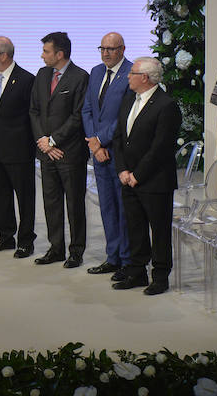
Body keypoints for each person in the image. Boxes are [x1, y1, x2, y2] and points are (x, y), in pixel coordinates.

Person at [112, 57, 180, 295]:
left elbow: (160, 148)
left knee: (159, 230)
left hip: (154, 180)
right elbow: (119, 136)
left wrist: (137, 175)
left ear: (144, 78)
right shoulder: (130, 98)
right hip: (128, 177)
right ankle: (137, 272)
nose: (127, 76)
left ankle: (160, 277)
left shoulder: (166, 105)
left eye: (131, 73)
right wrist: (122, 169)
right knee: (135, 227)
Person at [29, 31, 89, 268]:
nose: (42, 55)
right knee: (51, 202)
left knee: (74, 204)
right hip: (46, 151)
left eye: (46, 51)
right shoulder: (42, 74)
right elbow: (33, 110)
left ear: (60, 54)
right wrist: (43, 141)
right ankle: (56, 248)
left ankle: (76, 251)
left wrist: (54, 140)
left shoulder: (80, 77)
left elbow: (77, 117)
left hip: (69, 153)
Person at [81, 32, 133, 277]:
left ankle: (127, 259)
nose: (105, 53)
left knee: (124, 209)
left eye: (110, 49)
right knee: (107, 208)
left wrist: (101, 140)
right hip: (98, 152)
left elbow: (124, 116)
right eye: (102, 48)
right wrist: (94, 144)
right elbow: (87, 110)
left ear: (122, 49)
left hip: (120, 152)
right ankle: (112, 257)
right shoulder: (96, 72)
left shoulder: (131, 73)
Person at [0, 36, 37, 258]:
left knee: (24, 197)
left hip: (19, 148)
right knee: (0, 194)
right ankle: (5, 236)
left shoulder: (26, 79)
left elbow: (31, 115)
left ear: (4, 56)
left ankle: (26, 241)